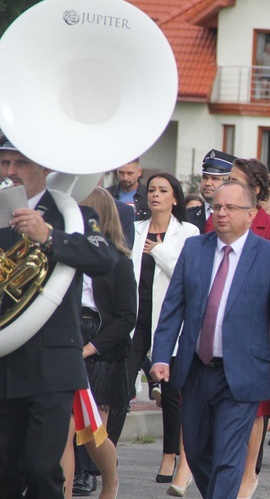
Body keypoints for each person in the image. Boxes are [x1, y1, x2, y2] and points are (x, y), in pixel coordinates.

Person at [150, 181, 270, 498]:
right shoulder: (195, 249)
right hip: (196, 370)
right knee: (197, 449)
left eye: (230, 207)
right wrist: (161, 356)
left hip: (243, 373)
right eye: (217, 206)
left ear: (251, 214)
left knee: (229, 455)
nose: (221, 213)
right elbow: (172, 308)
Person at [0, 138, 118, 499]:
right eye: (4, 163)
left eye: (20, 163)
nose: (10, 172)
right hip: (5, 360)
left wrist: (48, 235)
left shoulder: (74, 215)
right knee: (3, 472)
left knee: (41, 467)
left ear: (43, 168)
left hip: (52, 361)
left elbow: (104, 259)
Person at [62, 187, 138, 499]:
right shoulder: (66, 256)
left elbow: (126, 317)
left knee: (92, 433)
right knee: (62, 435)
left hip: (102, 351)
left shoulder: (119, 262)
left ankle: (110, 479)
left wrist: (90, 349)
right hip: (69, 339)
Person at [126, 174, 199, 491]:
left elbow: (188, 272)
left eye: (163, 190)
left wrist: (157, 251)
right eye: (151, 190)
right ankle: (104, 453)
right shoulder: (135, 229)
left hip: (170, 322)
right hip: (135, 319)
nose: (155, 195)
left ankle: (170, 454)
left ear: (175, 198)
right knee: (120, 386)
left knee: (171, 395)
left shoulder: (189, 232)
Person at [230, 158, 270, 498]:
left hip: (255, 329)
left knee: (254, 409)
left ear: (254, 189)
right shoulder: (218, 218)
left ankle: (248, 473)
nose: (226, 184)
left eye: (234, 180)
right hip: (219, 326)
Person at [186, 149, 236, 233]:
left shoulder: (238, 217)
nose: (208, 183)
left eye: (215, 178)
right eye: (205, 177)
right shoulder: (186, 215)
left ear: (229, 181)